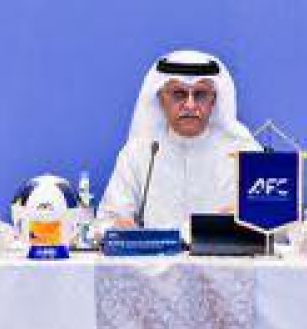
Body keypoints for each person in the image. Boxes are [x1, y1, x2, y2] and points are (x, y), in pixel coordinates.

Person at [97, 50, 261, 239]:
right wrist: (117, 226)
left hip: (224, 256)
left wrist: (247, 219)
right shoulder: (139, 151)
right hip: (154, 258)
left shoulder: (244, 151)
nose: (190, 105)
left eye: (200, 94)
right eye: (179, 94)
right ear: (160, 98)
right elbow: (106, 221)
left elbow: (275, 226)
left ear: (214, 100)